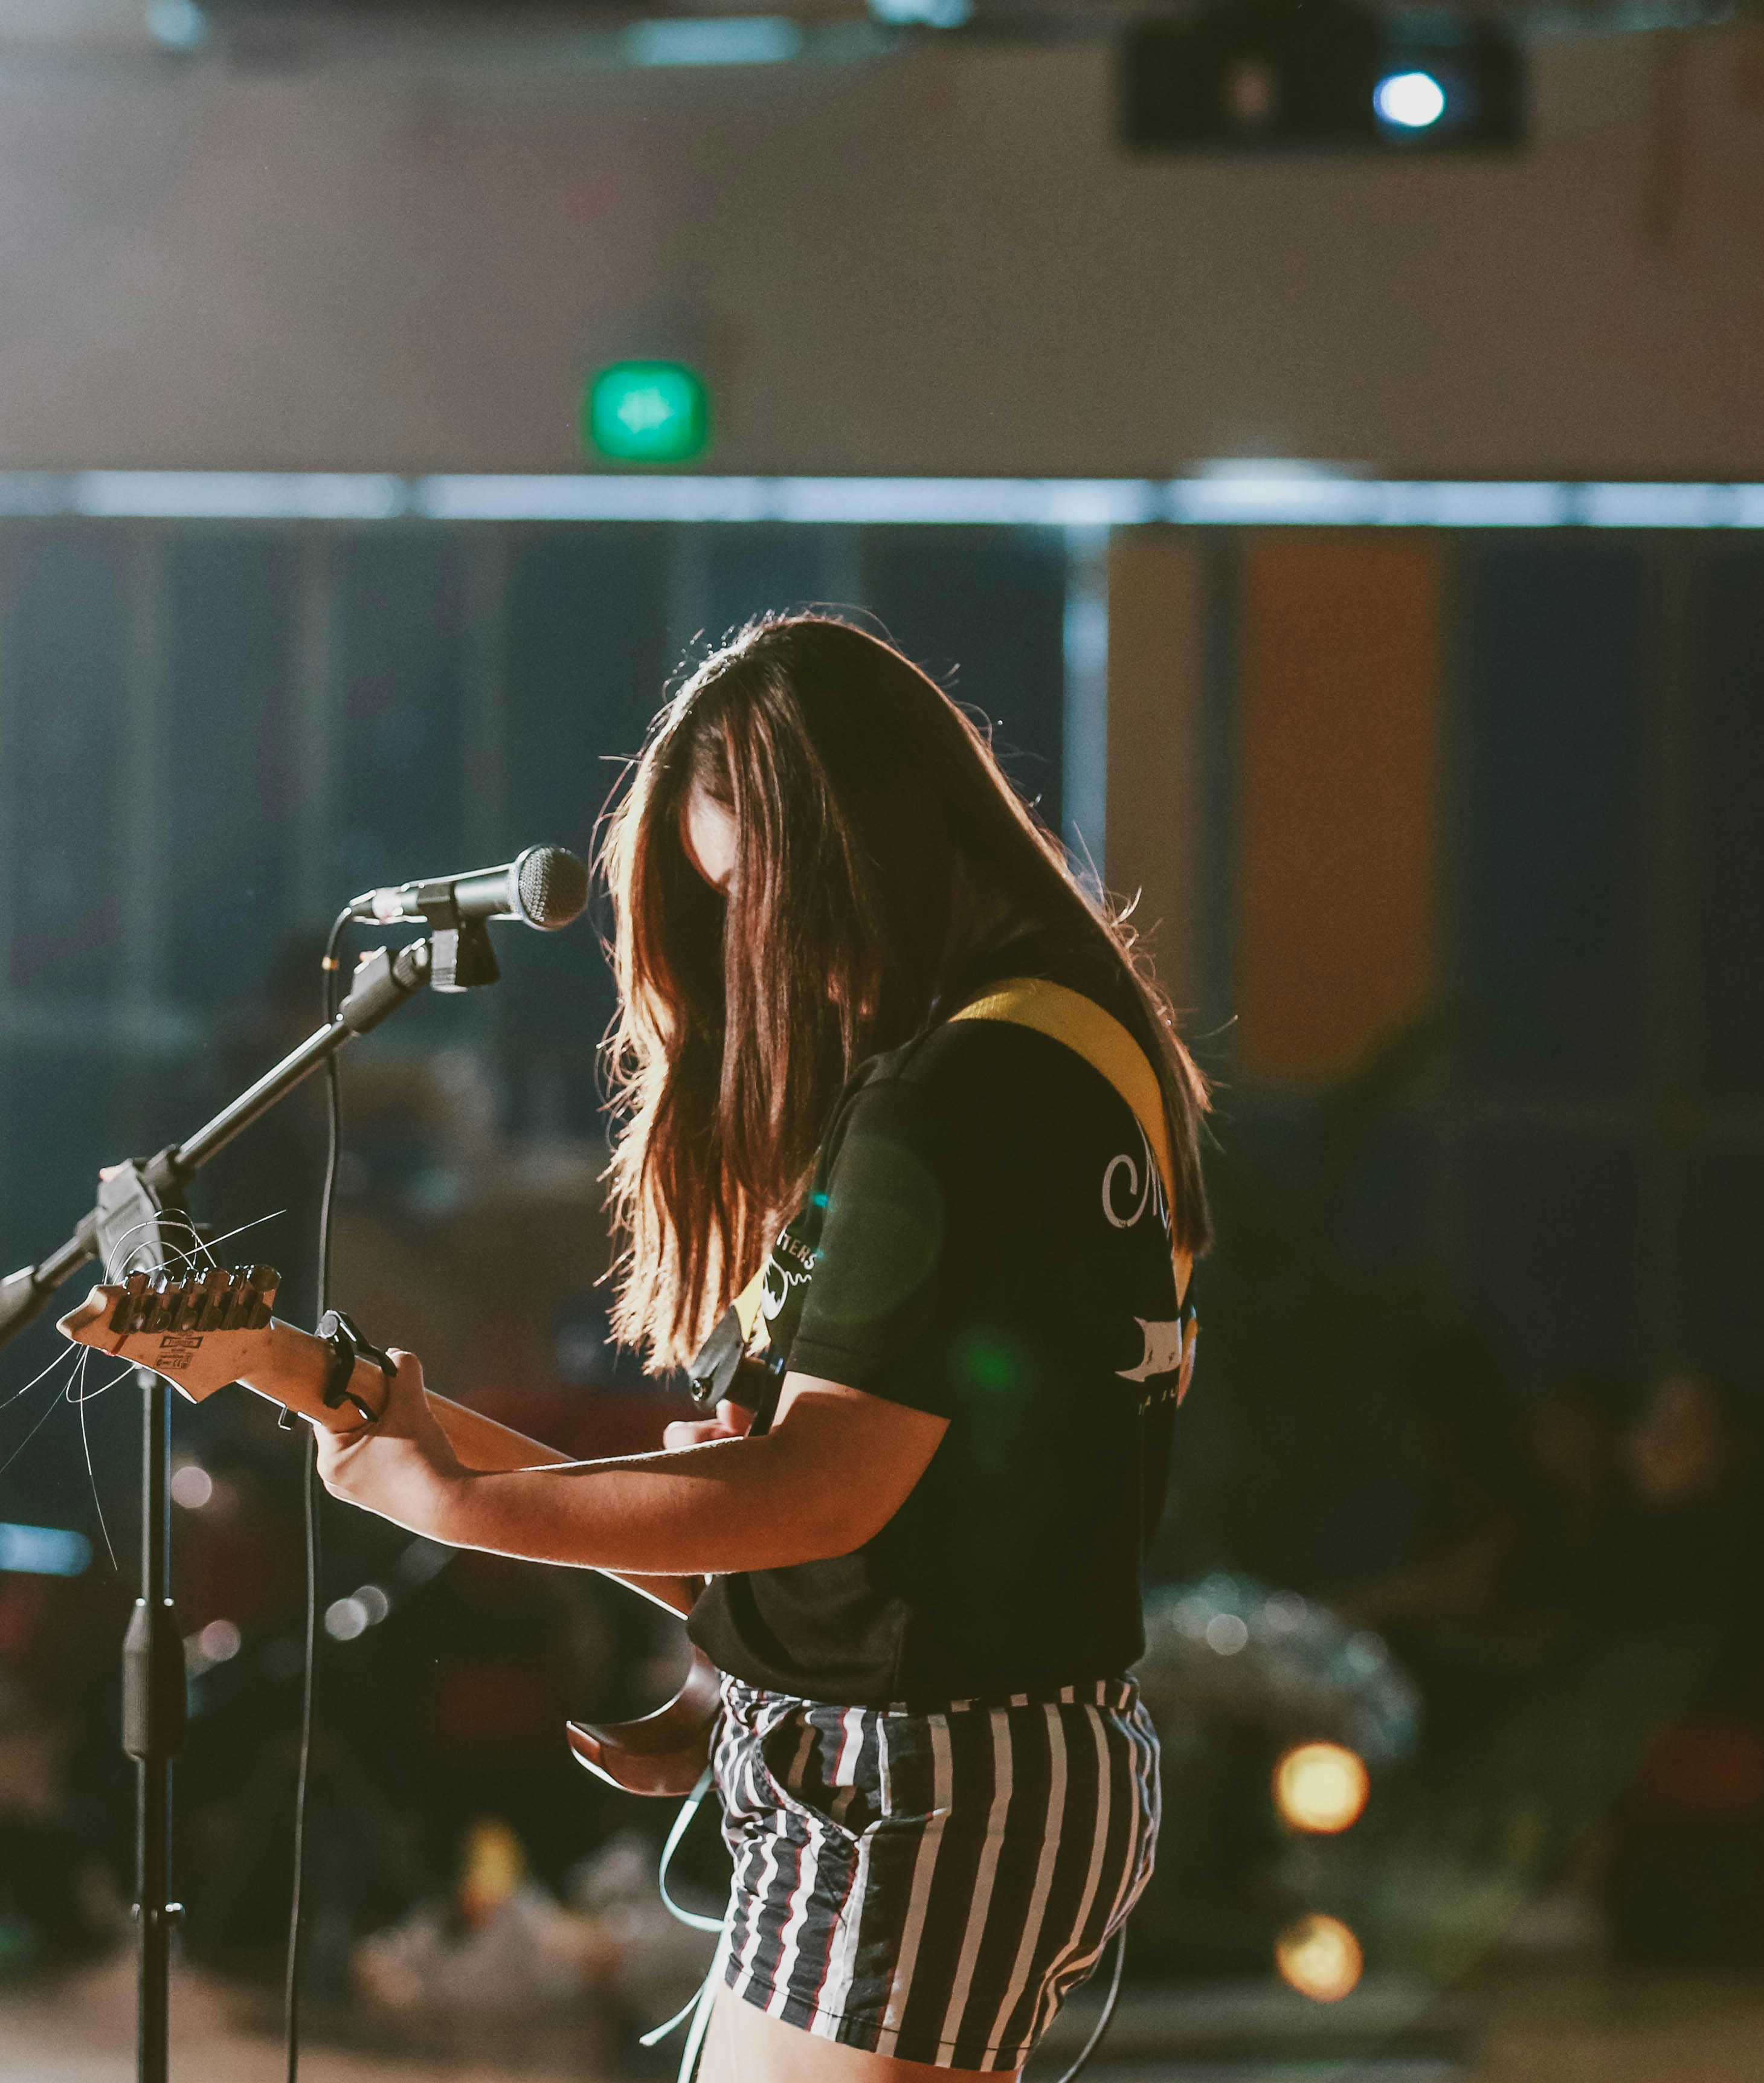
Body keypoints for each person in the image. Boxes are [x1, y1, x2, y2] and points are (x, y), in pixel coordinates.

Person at [304, 614, 1209, 2082]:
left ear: (847, 841)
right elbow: (965, 1496)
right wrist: (755, 1660)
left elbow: (826, 1489)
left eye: (747, 897)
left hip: (928, 1783)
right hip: (919, 1765)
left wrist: (451, 1499)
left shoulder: (964, 1089)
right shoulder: (1068, 1047)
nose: (746, 949)